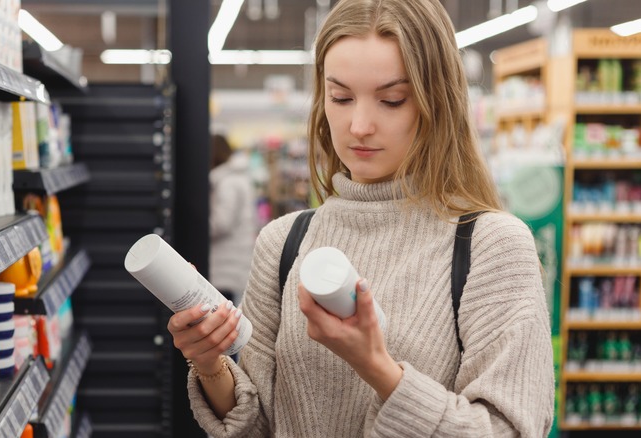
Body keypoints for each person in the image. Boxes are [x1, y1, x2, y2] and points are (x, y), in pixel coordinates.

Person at [168, 0, 555, 436]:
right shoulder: (282, 243)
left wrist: (377, 368)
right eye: (341, 97)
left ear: (436, 104)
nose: (359, 125)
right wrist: (209, 363)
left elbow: (511, 429)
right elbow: (258, 426)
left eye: (392, 100)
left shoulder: (491, 246)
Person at [209, 134, 257, 306]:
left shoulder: (227, 183)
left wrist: (196, 227)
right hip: (232, 263)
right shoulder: (234, 179)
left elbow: (221, 223)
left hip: (225, 267)